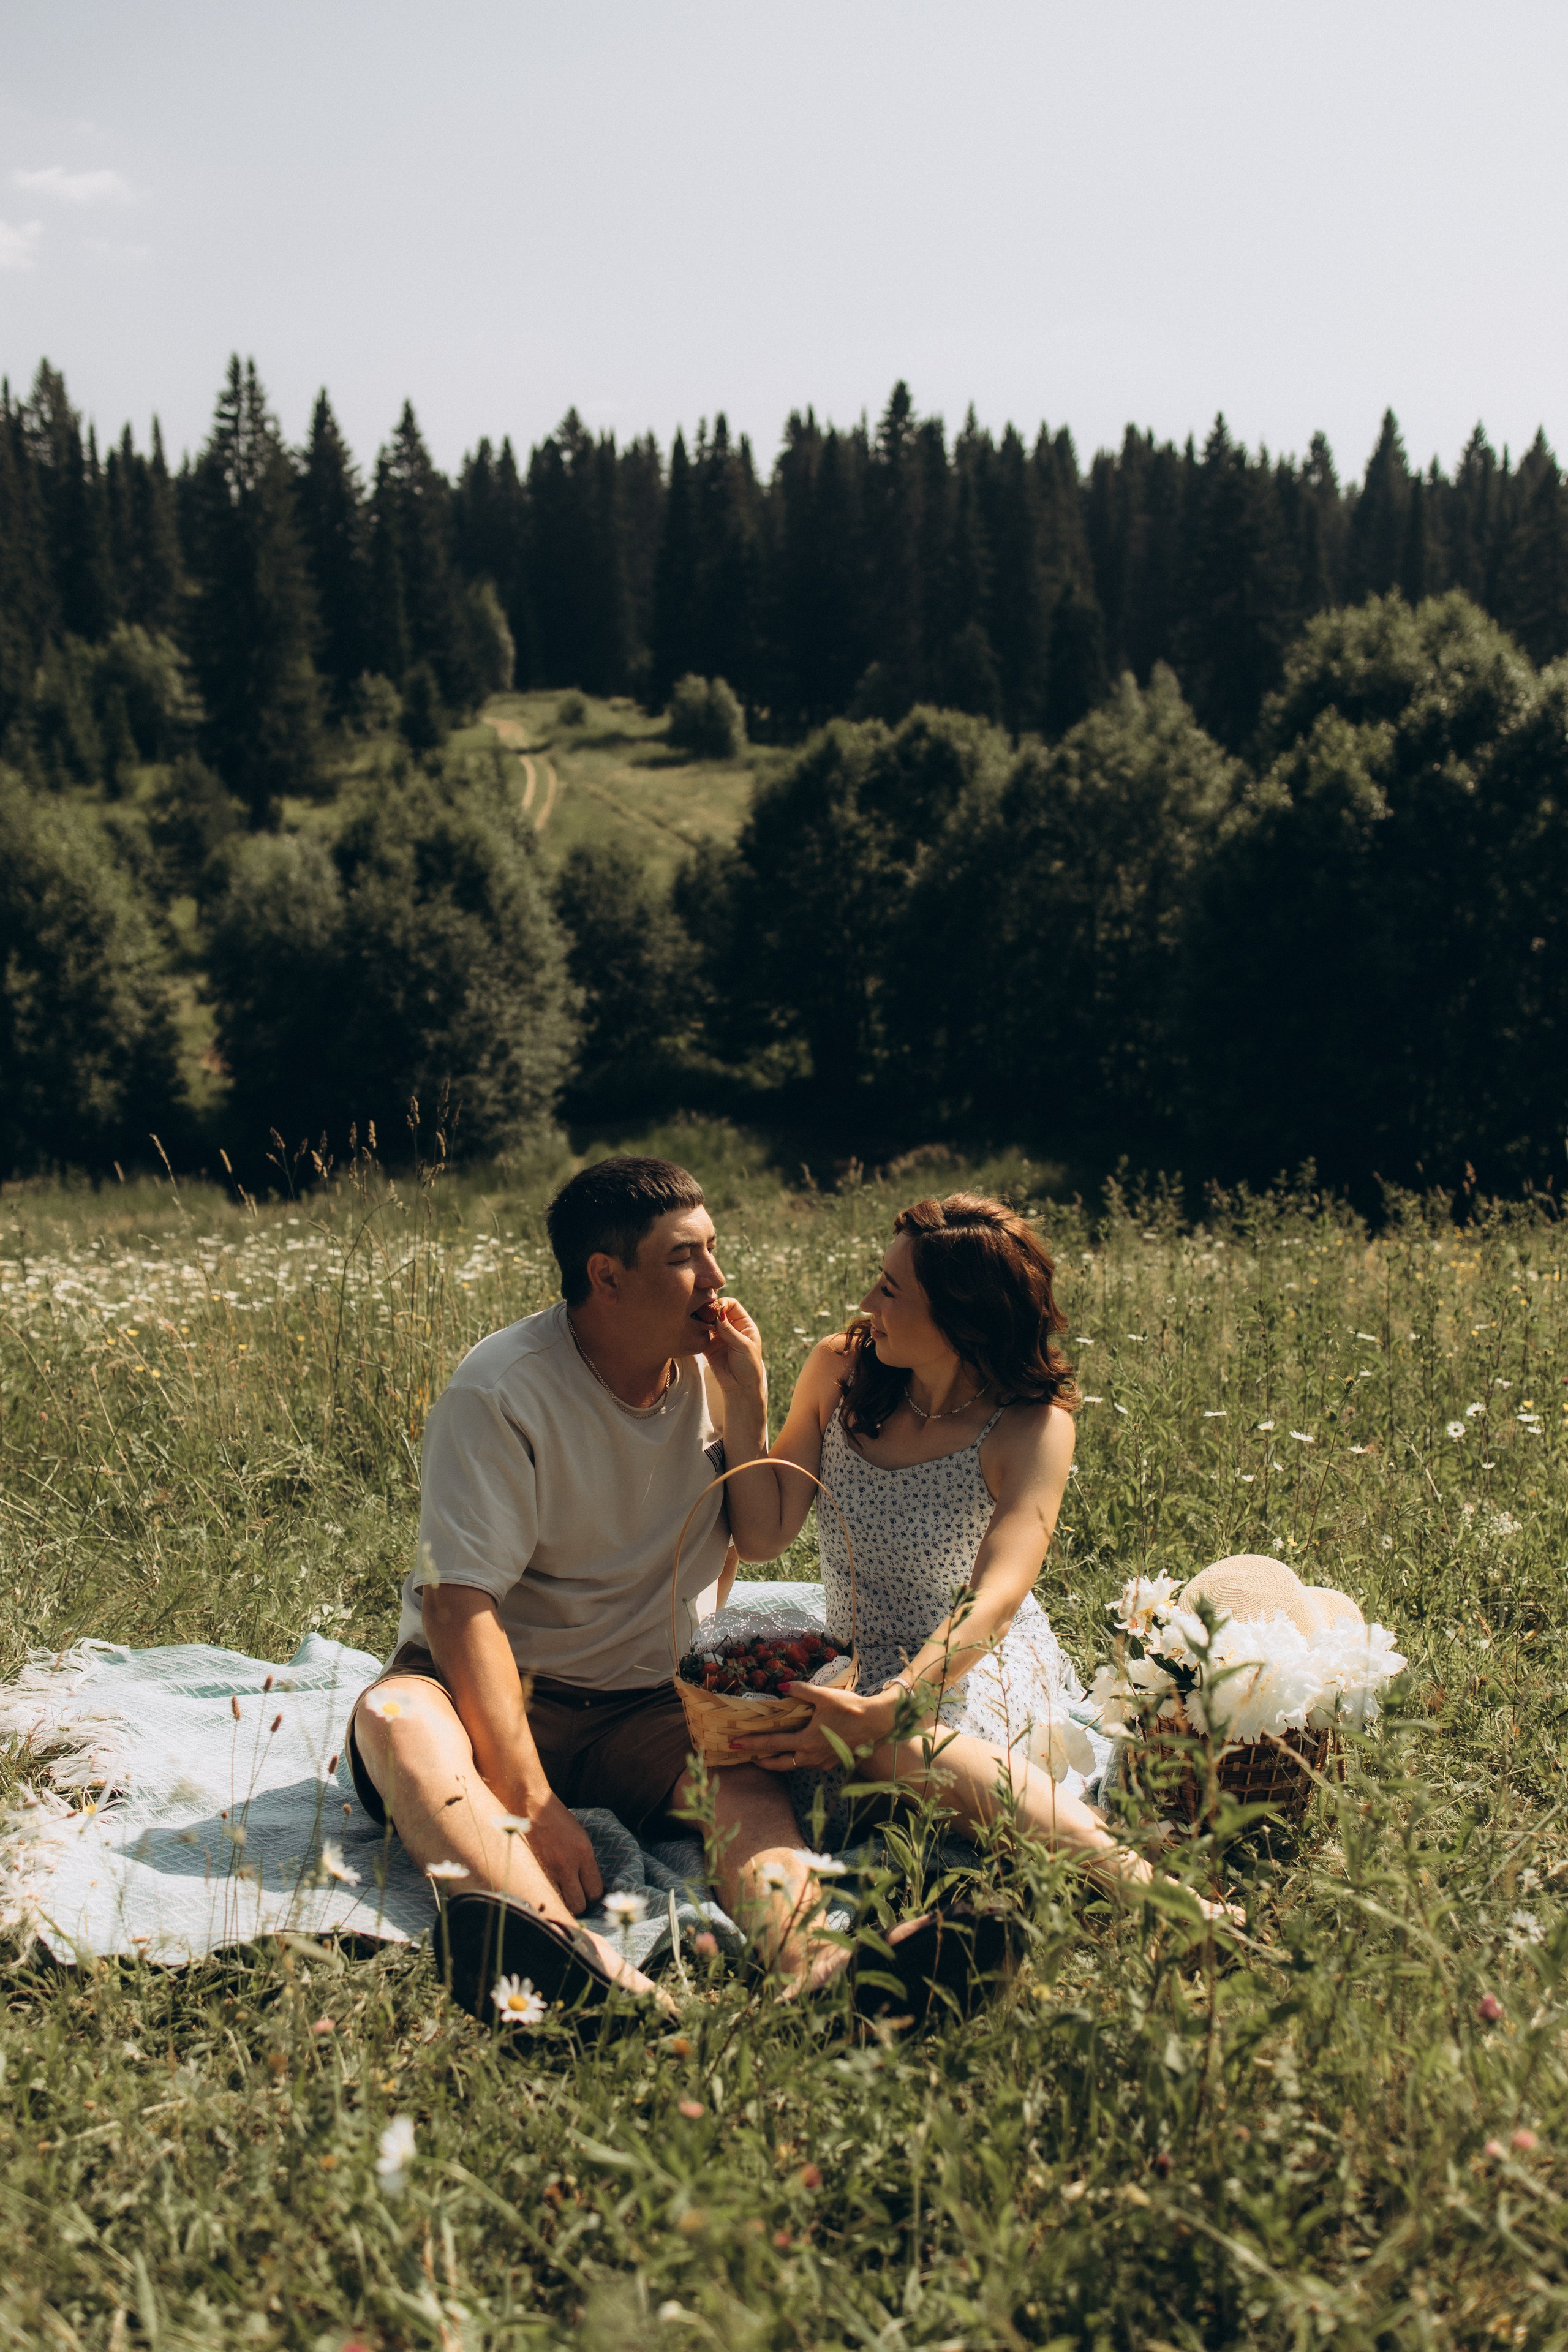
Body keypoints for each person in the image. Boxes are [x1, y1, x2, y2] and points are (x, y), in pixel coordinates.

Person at [348, 1156, 838, 2011]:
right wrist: (529, 1799)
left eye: (712, 1249)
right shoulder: (500, 1390)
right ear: (605, 1277)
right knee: (395, 1720)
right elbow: (458, 1605)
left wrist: (750, 1398)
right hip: (491, 1698)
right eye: (685, 1257)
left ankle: (822, 1972)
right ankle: (580, 1971)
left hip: (646, 1703)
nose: (716, 1278)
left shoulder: (713, 1369)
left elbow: (759, 1539)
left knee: (744, 1786)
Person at [703, 1191, 1238, 1946]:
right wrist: (744, 1392)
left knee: (893, 1747)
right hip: (849, 1656)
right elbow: (764, 1534)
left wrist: (898, 1701)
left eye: (891, 1291)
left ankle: (1159, 1898)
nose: (867, 1304)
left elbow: (997, 1595)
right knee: (764, 1735)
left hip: (966, 1660)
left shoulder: (1030, 1425)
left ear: (963, 1318)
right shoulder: (841, 1367)